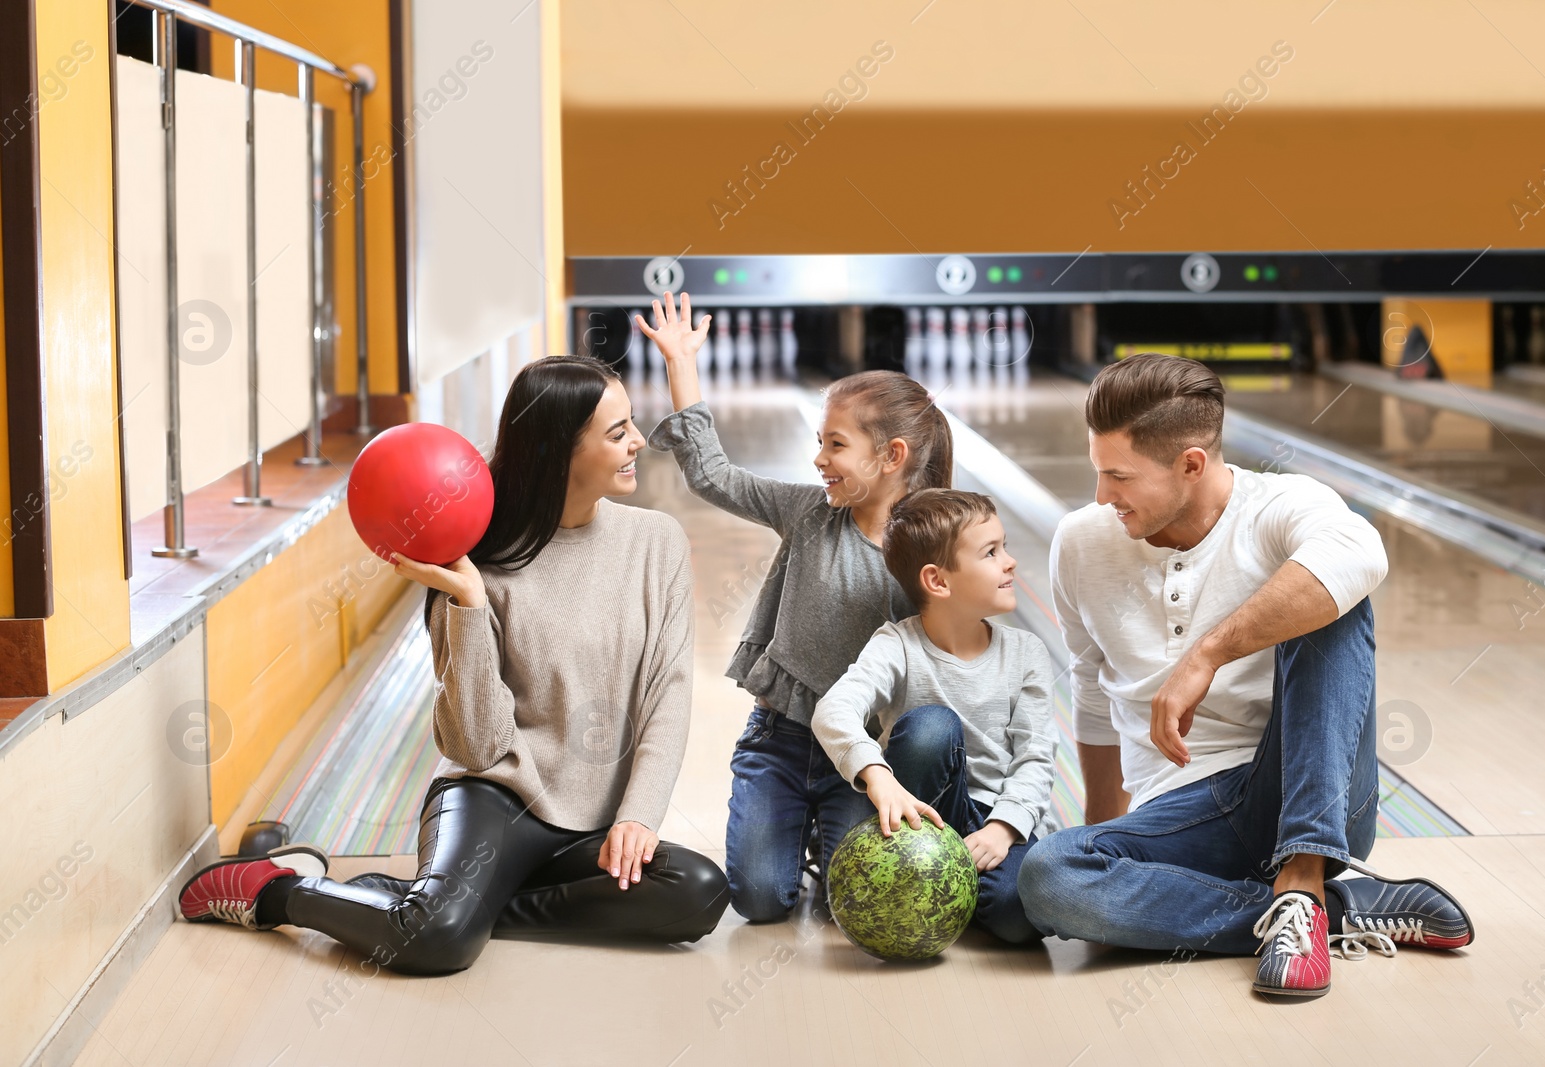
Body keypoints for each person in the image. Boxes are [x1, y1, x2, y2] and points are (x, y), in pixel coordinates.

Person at [177, 355, 729, 975]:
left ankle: (461, 907)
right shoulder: (474, 564)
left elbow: (669, 692)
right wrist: (467, 603)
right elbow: (476, 746)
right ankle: (274, 890)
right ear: (558, 452)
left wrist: (637, 815)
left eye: (632, 423)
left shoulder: (656, 543)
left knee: (698, 890)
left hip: (593, 819)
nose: (638, 442)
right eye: (616, 431)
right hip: (496, 795)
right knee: (437, 940)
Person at [1017, 353, 1473, 998]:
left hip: (1303, 789)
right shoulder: (1083, 542)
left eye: (1118, 476)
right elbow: (1093, 697)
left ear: (1191, 464)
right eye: (1098, 472)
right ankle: (1324, 911)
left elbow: (1359, 554)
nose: (1101, 496)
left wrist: (1207, 653)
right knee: (1048, 877)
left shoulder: (1281, 507)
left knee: (1333, 599)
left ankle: (1304, 872)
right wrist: (1100, 842)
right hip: (1180, 815)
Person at [639, 291, 953, 922]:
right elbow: (713, 477)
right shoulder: (809, 513)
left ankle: (817, 837)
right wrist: (681, 365)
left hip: (863, 755)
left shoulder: (933, 547)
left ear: (892, 456)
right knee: (758, 901)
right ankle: (791, 836)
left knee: (846, 905)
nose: (818, 460)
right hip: (779, 738)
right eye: (819, 442)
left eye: (835, 445)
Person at [811, 489, 1054, 943]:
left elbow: (1036, 756)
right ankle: (928, 874)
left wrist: (1003, 829)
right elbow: (833, 709)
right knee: (931, 727)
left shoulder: (1026, 653)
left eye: (1004, 547)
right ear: (938, 581)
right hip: (919, 814)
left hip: (996, 818)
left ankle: (948, 887)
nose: (1010, 562)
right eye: (991, 552)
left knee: (1018, 917)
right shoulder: (897, 645)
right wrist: (877, 777)